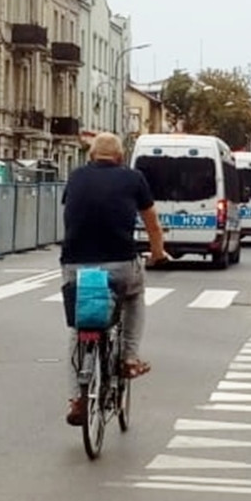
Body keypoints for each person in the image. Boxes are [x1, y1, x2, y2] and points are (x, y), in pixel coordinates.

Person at [60, 132, 168, 426]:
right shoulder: (133, 179)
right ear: (120, 157)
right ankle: (130, 358)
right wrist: (157, 253)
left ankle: (76, 398)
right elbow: (153, 224)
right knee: (134, 295)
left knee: (80, 324)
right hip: (120, 263)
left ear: (92, 155)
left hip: (74, 264)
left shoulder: (76, 176)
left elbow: (71, 214)